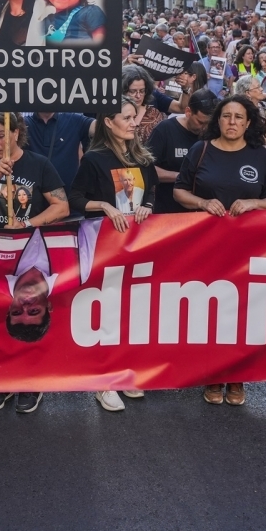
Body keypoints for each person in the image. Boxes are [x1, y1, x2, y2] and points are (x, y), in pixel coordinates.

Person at [174, 94, 266, 408]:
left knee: (243, 313)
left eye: (238, 117)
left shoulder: (260, 155)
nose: (232, 122)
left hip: (248, 250)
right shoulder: (200, 149)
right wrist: (202, 203)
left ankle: (237, 374)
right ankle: (214, 373)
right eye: (226, 116)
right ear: (218, 119)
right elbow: (179, 191)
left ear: (248, 123)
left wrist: (254, 203)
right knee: (211, 312)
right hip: (206, 249)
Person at [70, 96, 155, 412]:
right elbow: (75, 198)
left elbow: (154, 192)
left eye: (135, 117)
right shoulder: (95, 159)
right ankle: (103, 382)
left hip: (139, 246)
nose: (134, 122)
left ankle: (124, 373)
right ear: (108, 122)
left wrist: (148, 206)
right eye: (128, 117)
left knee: (132, 314)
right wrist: (104, 206)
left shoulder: (143, 158)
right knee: (104, 313)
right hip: (105, 247)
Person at [147, 89, 219, 214]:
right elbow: (147, 170)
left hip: (205, 213)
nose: (205, 128)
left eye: (210, 123)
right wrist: (183, 177)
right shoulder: (165, 130)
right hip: (169, 211)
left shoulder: (214, 133)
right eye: (200, 122)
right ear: (188, 112)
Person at [24, 112, 94, 192]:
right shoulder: (24, 124)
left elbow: (100, 128)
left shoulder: (73, 120)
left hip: (69, 196)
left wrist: (107, 108)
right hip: (33, 196)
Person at [235, 74, 266, 165]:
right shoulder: (244, 112)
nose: (262, 89)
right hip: (257, 159)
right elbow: (258, 140)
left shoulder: (264, 105)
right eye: (258, 87)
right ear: (247, 93)